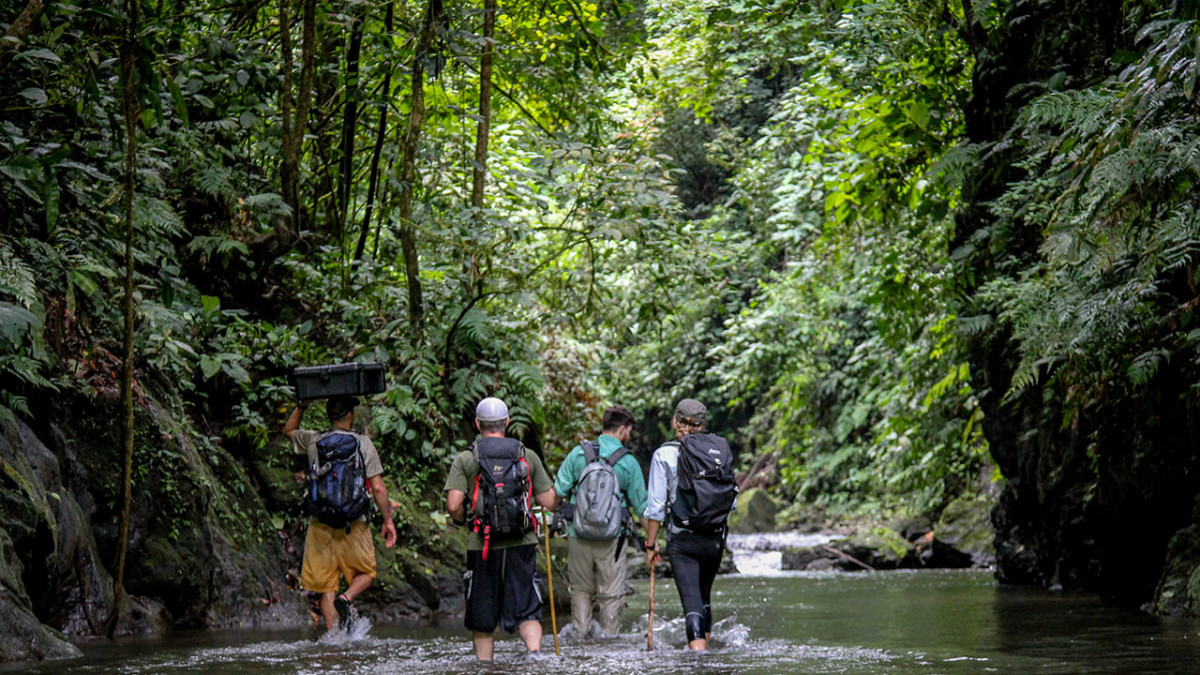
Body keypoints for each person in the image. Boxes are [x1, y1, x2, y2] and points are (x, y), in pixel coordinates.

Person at [445, 397, 557, 661]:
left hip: (481, 544)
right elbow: (549, 501)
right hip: (522, 541)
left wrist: (462, 520)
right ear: (507, 422)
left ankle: (485, 665)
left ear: (477, 424)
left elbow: (453, 505)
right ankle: (535, 655)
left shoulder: (467, 458)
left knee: (482, 618)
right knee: (527, 609)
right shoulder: (526, 455)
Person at [283, 395, 397, 632]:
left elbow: (289, 431)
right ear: (350, 415)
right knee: (366, 573)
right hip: (353, 524)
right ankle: (346, 598)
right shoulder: (363, 443)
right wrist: (388, 520)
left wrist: (302, 405)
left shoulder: (314, 440)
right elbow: (377, 487)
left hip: (320, 524)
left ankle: (334, 641)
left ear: (329, 416)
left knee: (326, 587)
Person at [643, 398, 736, 651]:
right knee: (704, 598)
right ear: (702, 424)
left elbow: (655, 509)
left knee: (692, 604)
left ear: (676, 422)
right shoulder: (719, 452)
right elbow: (731, 502)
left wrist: (650, 545)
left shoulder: (664, 455)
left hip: (683, 541)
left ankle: (698, 659)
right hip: (714, 539)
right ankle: (706, 655)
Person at [553, 404, 647, 640]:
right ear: (623, 429)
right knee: (611, 594)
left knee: (580, 590)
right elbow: (642, 508)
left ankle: (580, 636)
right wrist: (652, 544)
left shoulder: (578, 454)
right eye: (629, 431)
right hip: (613, 538)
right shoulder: (628, 462)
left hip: (578, 533)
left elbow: (557, 493)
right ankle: (609, 639)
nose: (629, 436)